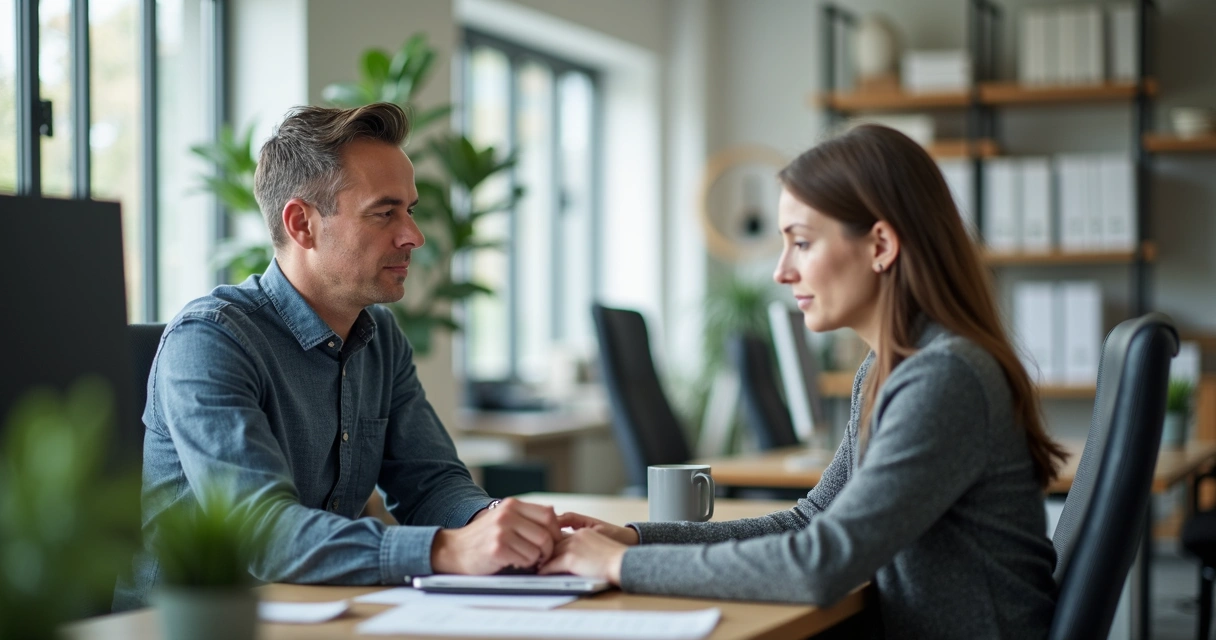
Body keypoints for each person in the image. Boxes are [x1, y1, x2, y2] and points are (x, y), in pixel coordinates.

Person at [540, 124, 1070, 639]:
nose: (781, 271)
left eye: (802, 243)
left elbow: (820, 564)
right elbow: (811, 519)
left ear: (881, 245)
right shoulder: (889, 367)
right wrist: (636, 540)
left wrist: (622, 566)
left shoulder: (945, 377)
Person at [114, 103, 560, 610]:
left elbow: (430, 482)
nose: (413, 236)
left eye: (410, 211)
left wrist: (496, 527)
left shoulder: (381, 338)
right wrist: (446, 549)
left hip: (314, 616)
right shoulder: (210, 341)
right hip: (188, 626)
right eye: (384, 212)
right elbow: (260, 531)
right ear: (302, 224)